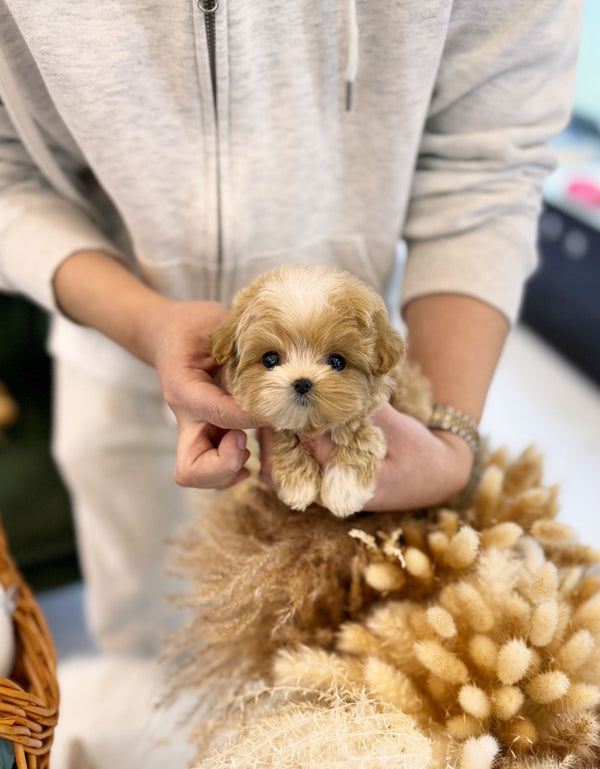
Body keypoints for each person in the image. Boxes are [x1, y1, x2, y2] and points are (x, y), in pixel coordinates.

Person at [0, 1, 583, 655]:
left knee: (340, 649)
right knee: (148, 648)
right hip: (111, 360)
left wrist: (451, 436)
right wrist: (142, 321)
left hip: (377, 409)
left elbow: (488, 168)